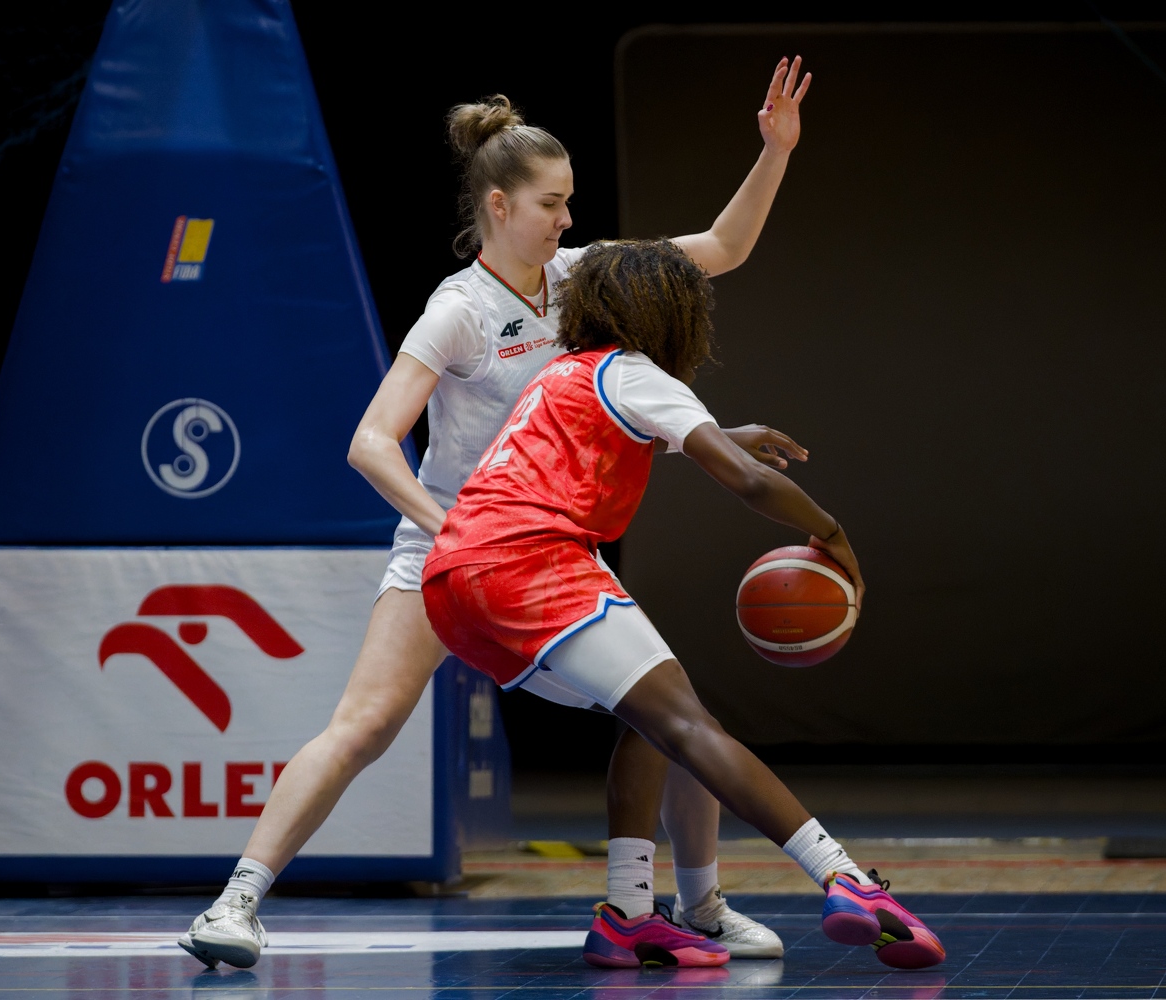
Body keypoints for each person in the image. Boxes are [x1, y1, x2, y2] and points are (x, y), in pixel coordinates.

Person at [180, 57, 814, 970]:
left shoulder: (584, 274)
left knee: (674, 716)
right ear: (499, 206)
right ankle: (234, 905)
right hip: (447, 550)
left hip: (546, 554)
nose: (568, 219)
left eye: (570, 202)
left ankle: (701, 906)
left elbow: (724, 246)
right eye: (552, 204)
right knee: (363, 725)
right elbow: (371, 443)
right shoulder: (459, 311)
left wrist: (776, 151)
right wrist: (451, 530)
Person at [420, 239, 946, 971]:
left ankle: (630, 916)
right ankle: (846, 879)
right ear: (672, 317)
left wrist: (715, 433)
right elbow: (749, 481)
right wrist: (832, 533)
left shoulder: (561, 372)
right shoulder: (636, 371)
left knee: (654, 717)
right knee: (692, 726)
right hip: (530, 561)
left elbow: (605, 432)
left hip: (452, 581)